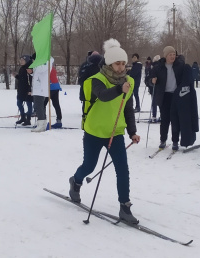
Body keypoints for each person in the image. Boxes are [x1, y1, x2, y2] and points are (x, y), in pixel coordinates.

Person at [69, 38, 140, 224]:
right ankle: (75, 182)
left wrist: (132, 132)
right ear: (109, 63)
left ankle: (125, 207)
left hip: (115, 133)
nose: (121, 67)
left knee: (122, 170)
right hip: (94, 131)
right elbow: (103, 95)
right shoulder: (96, 80)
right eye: (118, 63)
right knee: (89, 166)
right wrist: (119, 89)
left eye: (124, 63)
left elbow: (127, 108)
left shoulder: (128, 82)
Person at [151, 46, 185, 150]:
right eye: (170, 55)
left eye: (174, 54)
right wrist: (152, 81)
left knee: (175, 120)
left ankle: (175, 141)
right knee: (165, 119)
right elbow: (148, 79)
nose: (172, 56)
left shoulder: (179, 66)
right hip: (164, 95)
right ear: (166, 56)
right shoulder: (158, 67)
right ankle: (163, 140)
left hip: (175, 95)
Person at [27, 53, 54, 132]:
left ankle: (41, 124)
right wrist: (31, 72)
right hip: (37, 88)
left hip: (41, 88)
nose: (33, 61)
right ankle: (42, 123)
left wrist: (35, 65)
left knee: (39, 106)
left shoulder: (46, 62)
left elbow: (41, 70)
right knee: (39, 106)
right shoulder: (40, 63)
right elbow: (37, 73)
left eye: (33, 60)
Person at [13, 55, 33, 126]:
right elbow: (22, 79)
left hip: (28, 90)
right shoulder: (21, 68)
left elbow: (31, 80)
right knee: (19, 103)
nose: (21, 61)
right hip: (21, 90)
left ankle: (28, 120)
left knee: (29, 104)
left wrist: (30, 90)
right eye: (20, 60)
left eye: (22, 60)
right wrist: (16, 76)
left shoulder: (30, 68)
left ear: (26, 61)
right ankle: (23, 117)